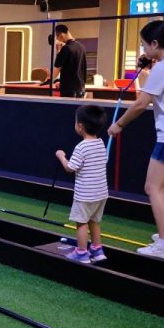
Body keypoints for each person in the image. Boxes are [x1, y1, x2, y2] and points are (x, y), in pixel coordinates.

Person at [108, 20, 164, 260]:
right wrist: (149, 67)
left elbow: (140, 104)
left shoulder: (163, 68)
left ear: (155, 43)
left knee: (153, 187)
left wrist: (118, 125)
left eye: (144, 45)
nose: (143, 50)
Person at [55, 105, 109, 263]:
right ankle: (97, 250)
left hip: (85, 194)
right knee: (94, 221)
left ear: (80, 126)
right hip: (101, 194)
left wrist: (61, 156)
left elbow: (70, 167)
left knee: (81, 223)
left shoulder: (81, 147)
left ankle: (81, 252)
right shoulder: (100, 143)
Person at [46, 24, 87, 97]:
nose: (58, 40)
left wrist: (47, 81)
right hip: (81, 88)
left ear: (61, 35)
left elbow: (56, 71)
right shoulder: (81, 47)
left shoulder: (66, 49)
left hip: (69, 90)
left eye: (57, 37)